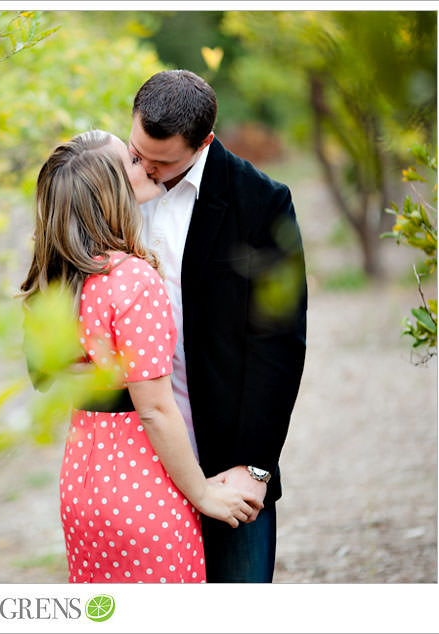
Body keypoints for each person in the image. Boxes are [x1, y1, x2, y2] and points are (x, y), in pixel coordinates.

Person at [20, 130, 253, 583]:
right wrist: (202, 493)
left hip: (84, 482)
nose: (144, 164)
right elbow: (155, 409)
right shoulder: (132, 279)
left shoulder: (57, 279)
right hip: (143, 487)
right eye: (130, 159)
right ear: (113, 193)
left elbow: (49, 372)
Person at [127, 70, 307, 582]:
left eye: (161, 162)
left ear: (203, 141)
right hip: (136, 453)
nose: (143, 168)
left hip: (225, 455)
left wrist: (255, 466)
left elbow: (280, 344)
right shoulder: (111, 184)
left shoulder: (261, 202)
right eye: (137, 152)